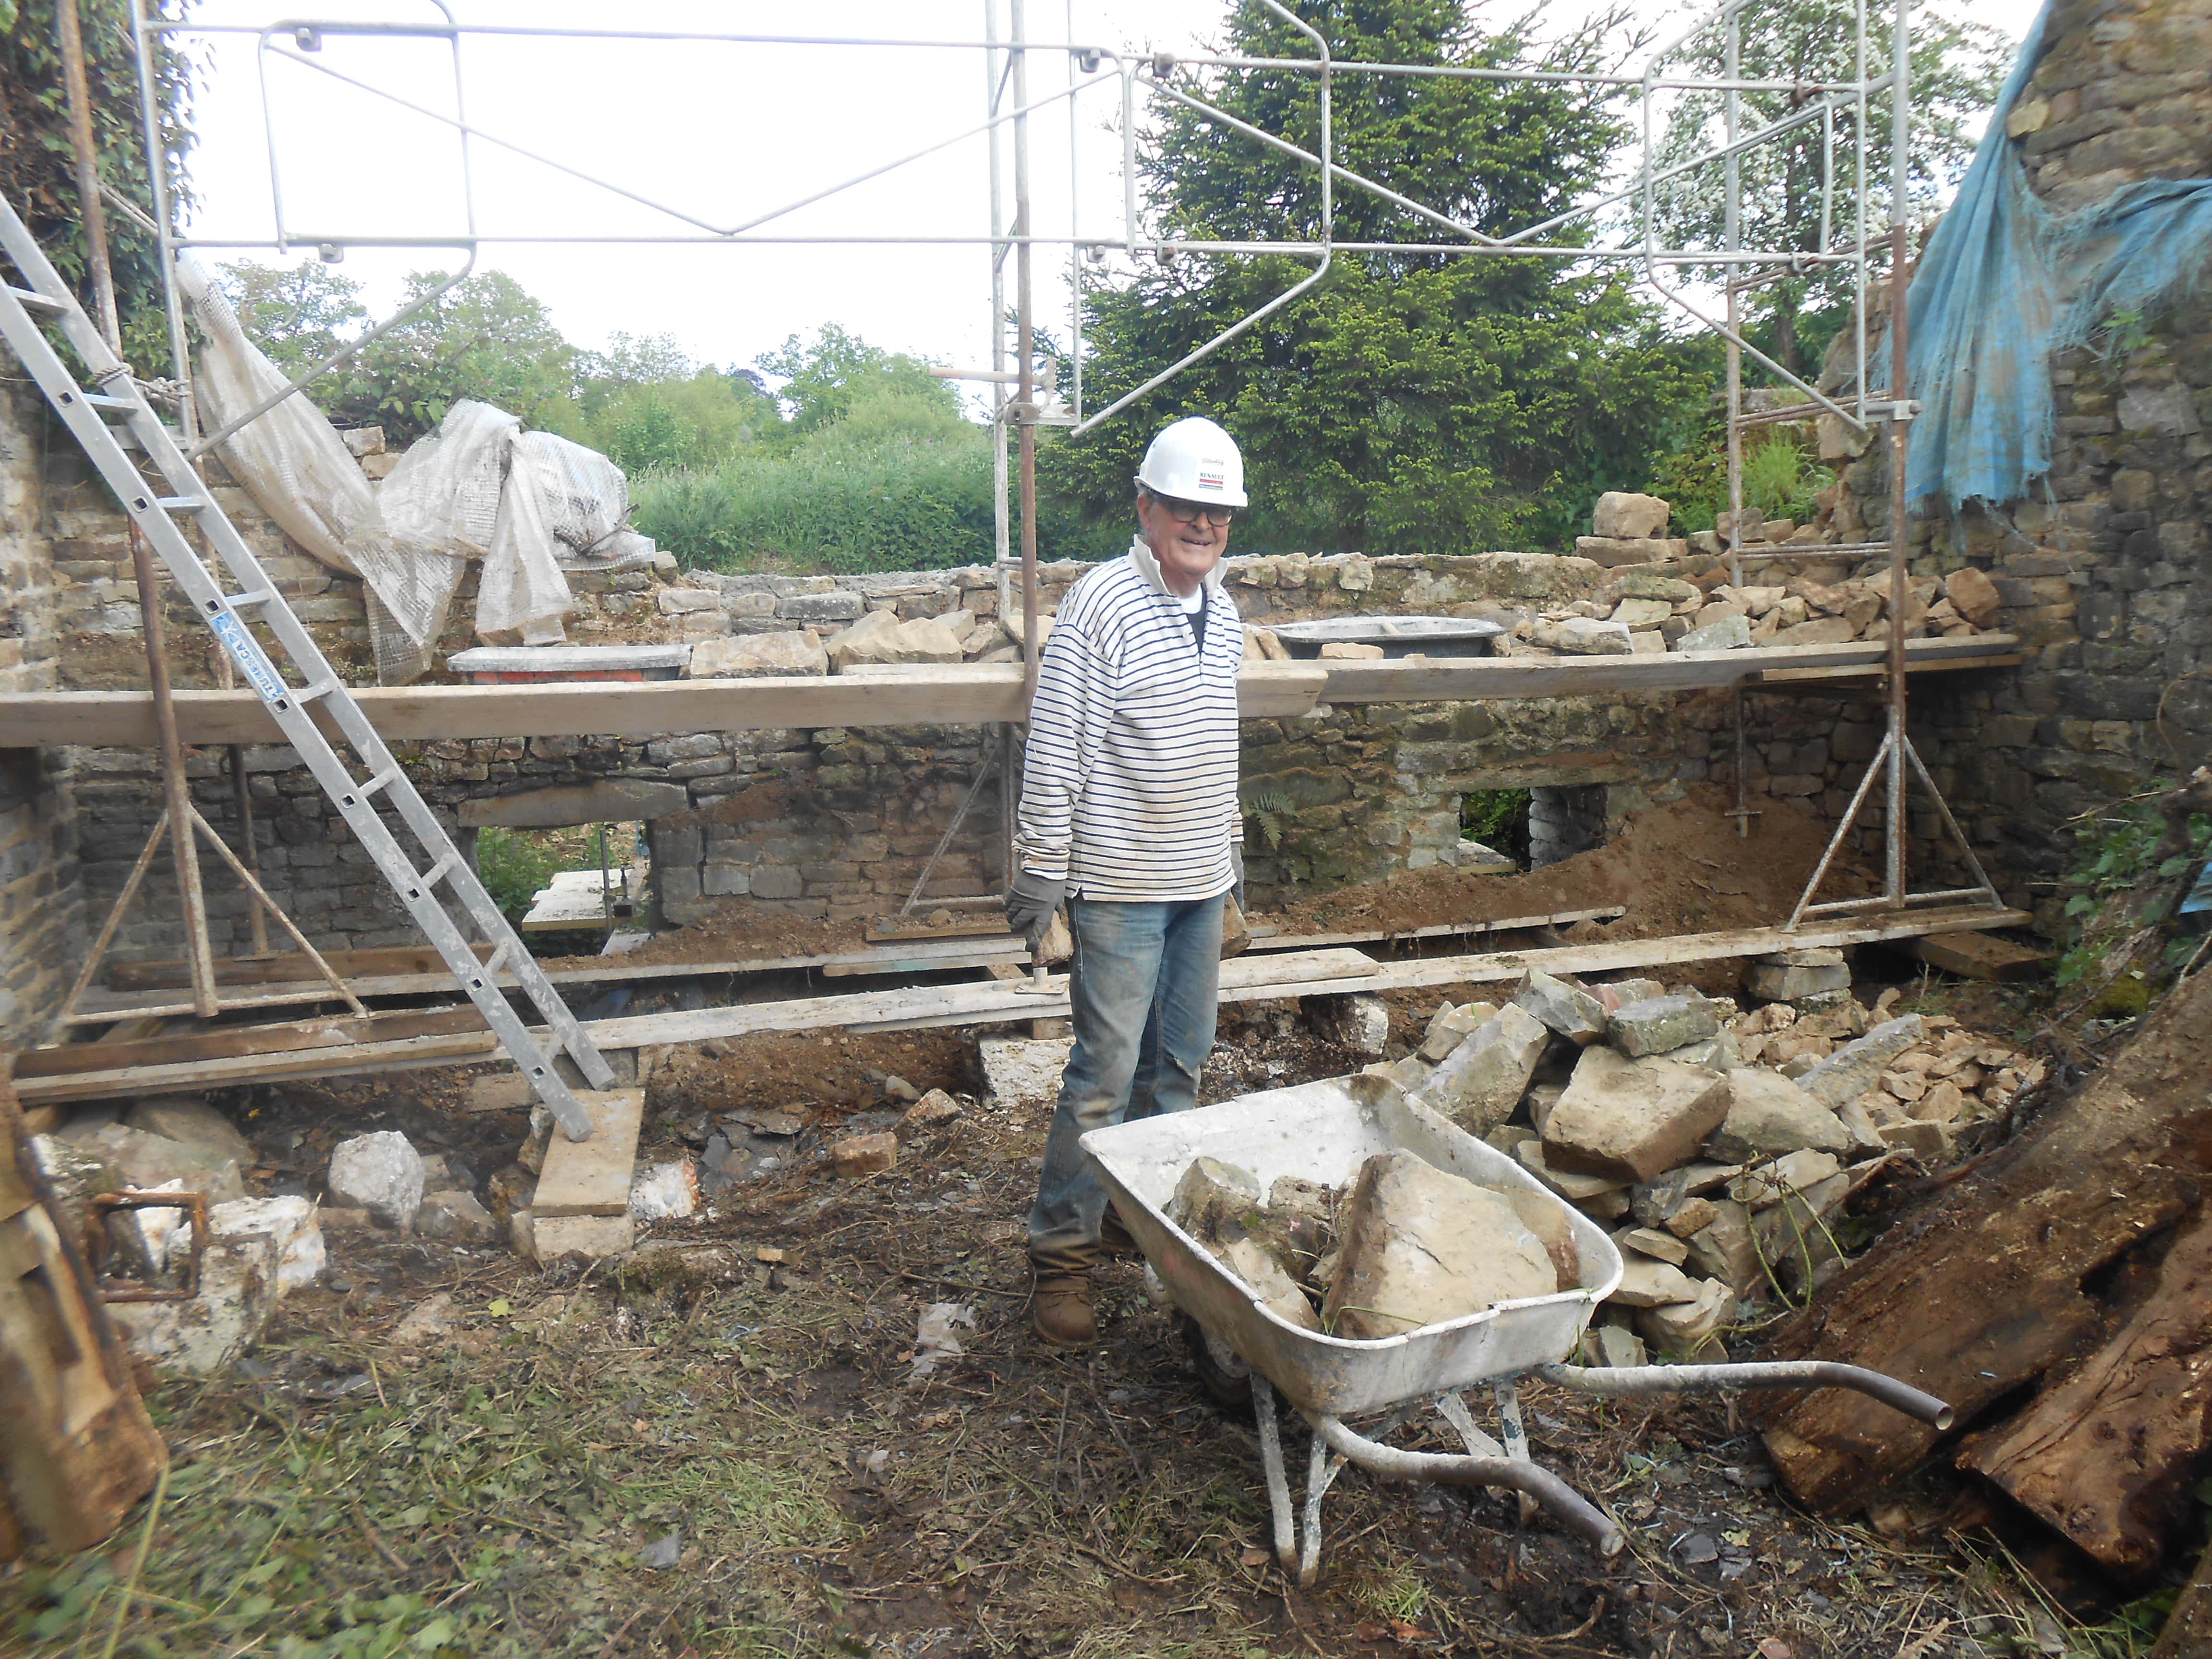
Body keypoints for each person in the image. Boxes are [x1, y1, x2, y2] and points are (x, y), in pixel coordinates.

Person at [1004, 414, 1249, 1346]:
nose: (1202, 524)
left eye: (1217, 512)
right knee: (1104, 1075)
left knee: (1179, 1066)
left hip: (1196, 878)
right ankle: (1059, 1255)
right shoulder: (1102, 605)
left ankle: (1131, 1217)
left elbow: (1217, 748)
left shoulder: (1222, 614)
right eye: (1185, 505)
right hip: (1118, 882)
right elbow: (1058, 744)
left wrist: (1231, 864)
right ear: (1145, 506)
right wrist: (1041, 872)